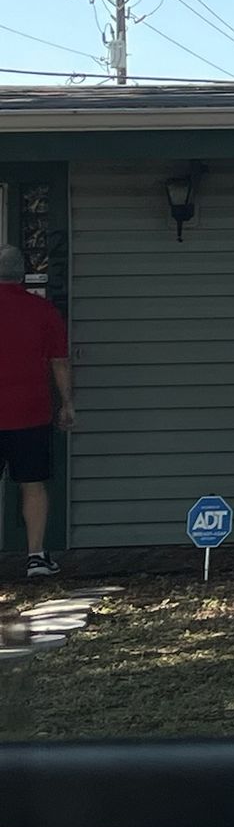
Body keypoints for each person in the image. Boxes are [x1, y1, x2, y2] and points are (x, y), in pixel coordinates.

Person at [0, 244, 74, 578]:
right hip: (30, 411)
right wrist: (67, 404)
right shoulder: (43, 311)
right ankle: (36, 557)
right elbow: (59, 361)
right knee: (32, 484)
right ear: (23, 275)